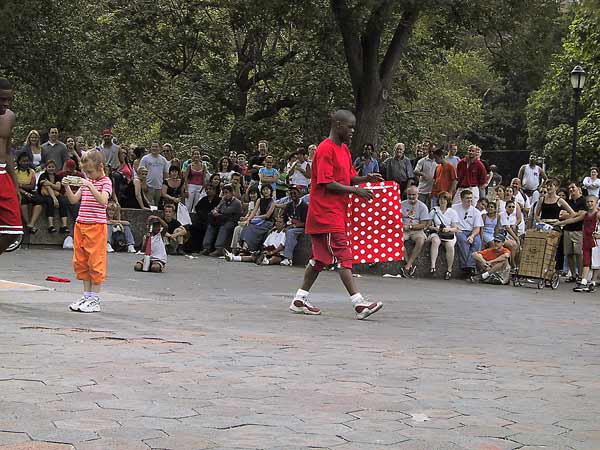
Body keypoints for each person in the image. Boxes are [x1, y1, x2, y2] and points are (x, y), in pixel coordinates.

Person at [289, 109, 384, 320]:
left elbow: (349, 176)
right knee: (343, 254)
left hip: (335, 212)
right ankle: (359, 304)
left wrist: (365, 178)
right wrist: (355, 191)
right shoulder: (325, 149)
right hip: (326, 213)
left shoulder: (343, 150)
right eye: (350, 127)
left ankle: (299, 299)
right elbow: (326, 182)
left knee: (320, 259)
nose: (352, 131)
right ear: (338, 125)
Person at [63, 150, 112, 313]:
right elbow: (73, 200)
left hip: (96, 226)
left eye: (90, 171)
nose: (88, 174)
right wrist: (67, 187)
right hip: (81, 224)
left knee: (95, 261)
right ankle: (87, 295)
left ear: (100, 167)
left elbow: (103, 201)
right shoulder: (87, 181)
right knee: (82, 261)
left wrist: (90, 185)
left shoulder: (106, 182)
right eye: (85, 172)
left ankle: (95, 299)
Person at [202, 184, 243, 257]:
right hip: (222, 219)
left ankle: (219, 248)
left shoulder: (237, 202)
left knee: (224, 227)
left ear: (231, 193)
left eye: (226, 192)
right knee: (211, 225)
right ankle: (206, 247)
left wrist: (218, 213)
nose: (225, 195)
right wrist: (214, 211)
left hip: (232, 221)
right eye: (223, 193)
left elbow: (226, 211)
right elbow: (217, 208)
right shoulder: (223, 200)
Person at [427, 191, 459, 280]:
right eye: (441, 199)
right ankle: (433, 266)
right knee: (435, 241)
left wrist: (448, 229)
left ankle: (449, 270)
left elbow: (455, 228)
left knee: (450, 246)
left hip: (448, 233)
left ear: (448, 201)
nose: (442, 201)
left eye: (445, 199)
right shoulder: (434, 210)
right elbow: (428, 225)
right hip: (437, 232)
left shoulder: (452, 212)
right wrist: (435, 228)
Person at [400, 186, 430, 277]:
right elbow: (396, 219)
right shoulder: (401, 204)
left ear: (418, 195)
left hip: (417, 230)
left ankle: (408, 265)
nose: (411, 197)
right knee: (398, 240)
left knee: (420, 241)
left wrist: (410, 226)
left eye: (413, 195)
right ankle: (408, 264)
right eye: (409, 195)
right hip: (404, 229)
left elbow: (423, 224)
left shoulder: (423, 206)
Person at [453, 189, 483, 274]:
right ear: (462, 199)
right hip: (459, 230)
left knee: (477, 242)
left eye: (471, 198)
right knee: (463, 241)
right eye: (467, 198)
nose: (469, 200)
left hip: (472, 231)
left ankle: (469, 265)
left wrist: (472, 236)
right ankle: (469, 267)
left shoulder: (476, 211)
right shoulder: (454, 208)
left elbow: (477, 228)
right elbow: (451, 221)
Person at [573, 195, 599, 292]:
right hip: (586, 240)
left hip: (595, 241)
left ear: (596, 203)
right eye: (588, 202)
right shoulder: (585, 214)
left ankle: (592, 282)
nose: (589, 204)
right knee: (586, 261)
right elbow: (573, 219)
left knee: (596, 263)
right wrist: (560, 223)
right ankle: (584, 282)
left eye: (592, 202)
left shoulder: (598, 214)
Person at [239, 184, 276, 252]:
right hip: (259, 221)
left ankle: (250, 247)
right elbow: (254, 211)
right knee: (247, 225)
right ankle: (244, 245)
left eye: (267, 189)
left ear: (270, 191)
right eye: (264, 190)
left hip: (268, 222)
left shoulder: (273, 201)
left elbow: (267, 215)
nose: (265, 191)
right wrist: (248, 219)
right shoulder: (259, 200)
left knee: (252, 228)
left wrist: (256, 217)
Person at [38, 160, 70, 233]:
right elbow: (47, 188)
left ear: (55, 168)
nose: (51, 168)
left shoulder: (57, 176)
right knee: (50, 201)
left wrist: (50, 183)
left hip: (55, 194)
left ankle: (64, 226)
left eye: (52, 167)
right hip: (45, 195)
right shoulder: (43, 175)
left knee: (63, 201)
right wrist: (55, 198)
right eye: (49, 167)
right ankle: (50, 226)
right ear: (46, 168)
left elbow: (58, 187)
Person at [15, 152, 44, 234]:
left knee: (39, 201)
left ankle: (31, 223)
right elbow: (14, 185)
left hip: (29, 191)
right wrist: (23, 189)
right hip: (18, 192)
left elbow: (32, 186)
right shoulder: (15, 171)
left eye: (27, 161)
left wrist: (20, 184)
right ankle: (28, 223)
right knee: (23, 200)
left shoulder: (31, 171)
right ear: (19, 162)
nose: (26, 163)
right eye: (23, 161)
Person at [280, 185, 308, 266]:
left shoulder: (304, 206)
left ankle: (288, 258)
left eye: (295, 193)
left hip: (302, 228)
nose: (293, 195)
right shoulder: (289, 205)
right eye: (291, 193)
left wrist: (293, 226)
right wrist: (281, 226)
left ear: (300, 194)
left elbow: (306, 223)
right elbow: (284, 218)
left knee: (290, 232)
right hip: (290, 226)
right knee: (278, 231)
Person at [138, 142, 169, 207]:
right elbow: (140, 172)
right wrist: (143, 184)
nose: (154, 148)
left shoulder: (163, 160)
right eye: (153, 146)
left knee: (157, 206)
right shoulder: (145, 158)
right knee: (149, 205)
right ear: (150, 148)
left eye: (156, 147)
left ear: (159, 148)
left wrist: (163, 187)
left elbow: (166, 174)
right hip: (148, 186)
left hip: (159, 187)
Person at [230, 186, 259, 253]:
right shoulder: (251, 203)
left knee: (243, 227)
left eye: (254, 193)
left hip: (256, 222)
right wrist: (244, 218)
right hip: (249, 220)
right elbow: (248, 214)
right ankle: (234, 249)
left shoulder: (260, 202)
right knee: (237, 228)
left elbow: (257, 216)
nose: (252, 195)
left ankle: (243, 248)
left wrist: (247, 219)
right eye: (251, 194)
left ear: (258, 194)